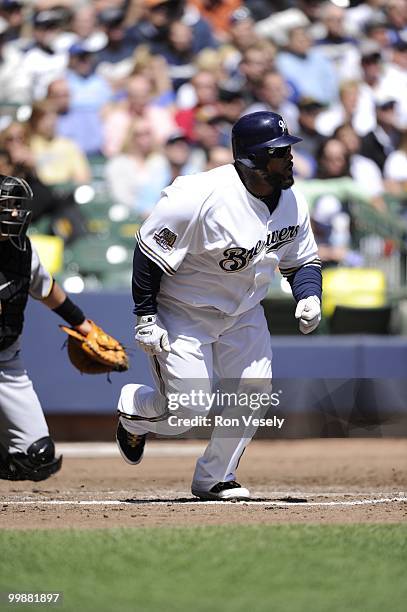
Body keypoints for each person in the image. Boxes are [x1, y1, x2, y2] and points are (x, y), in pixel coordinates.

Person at [116, 111, 322, 501]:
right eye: (278, 153)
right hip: (182, 311)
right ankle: (134, 411)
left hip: (244, 311)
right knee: (187, 412)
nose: (289, 159)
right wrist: (145, 316)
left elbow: (302, 261)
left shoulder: (293, 201)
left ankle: (215, 477)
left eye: (287, 151)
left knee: (254, 393)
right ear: (251, 160)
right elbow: (148, 253)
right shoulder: (196, 196)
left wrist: (309, 294)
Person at [0, 173, 92, 481]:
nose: (15, 212)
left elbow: (47, 289)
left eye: (17, 205)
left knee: (37, 458)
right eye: (7, 206)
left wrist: (82, 324)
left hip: (5, 363)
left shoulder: (22, 250)